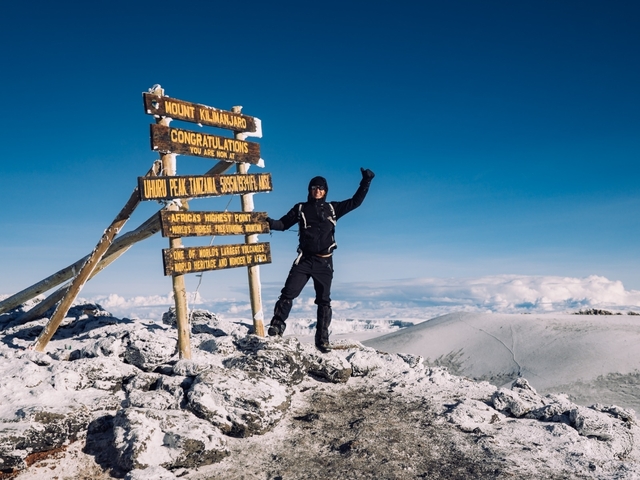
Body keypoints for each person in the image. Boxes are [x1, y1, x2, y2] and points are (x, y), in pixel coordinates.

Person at [266, 167, 375, 352]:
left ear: (325, 191)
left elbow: (356, 202)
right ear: (309, 190)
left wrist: (366, 181)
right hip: (305, 260)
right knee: (288, 292)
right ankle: (277, 326)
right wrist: (266, 221)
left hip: (325, 262)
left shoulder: (333, 208)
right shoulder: (300, 208)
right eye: (314, 187)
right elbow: (283, 224)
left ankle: (322, 340)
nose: (317, 191)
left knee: (324, 301)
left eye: (321, 188)